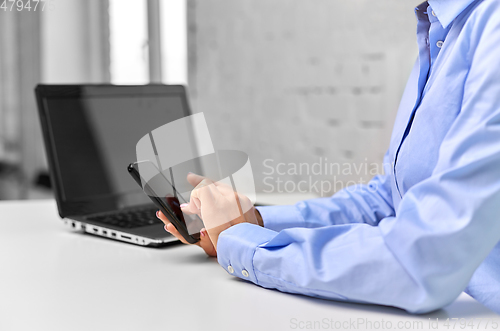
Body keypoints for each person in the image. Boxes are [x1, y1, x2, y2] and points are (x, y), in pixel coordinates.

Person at [157, 0, 500, 314]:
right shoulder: (443, 28)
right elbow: (395, 198)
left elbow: (425, 258)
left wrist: (244, 244)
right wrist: (255, 223)